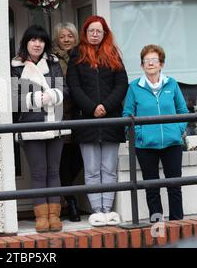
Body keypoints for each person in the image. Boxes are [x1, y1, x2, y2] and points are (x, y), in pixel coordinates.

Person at [66, 15, 128, 227]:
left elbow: (122, 85)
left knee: (109, 168)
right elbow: (74, 87)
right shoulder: (76, 55)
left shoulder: (113, 55)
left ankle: (108, 210)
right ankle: (96, 210)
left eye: (98, 31)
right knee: (92, 169)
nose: (94, 34)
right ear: (85, 33)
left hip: (111, 120)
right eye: (91, 31)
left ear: (104, 33)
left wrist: (106, 106)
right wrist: (92, 108)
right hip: (86, 120)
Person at [11, 25, 68, 233]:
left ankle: (55, 216)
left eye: (41, 40)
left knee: (54, 171)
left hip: (55, 123)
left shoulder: (53, 63)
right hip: (31, 125)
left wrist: (53, 96)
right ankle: (41, 217)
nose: (37, 44)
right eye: (33, 40)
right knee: (38, 172)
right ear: (26, 42)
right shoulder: (15, 66)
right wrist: (36, 99)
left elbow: (65, 89)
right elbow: (13, 99)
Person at [123, 44, 188, 222]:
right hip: (145, 146)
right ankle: (157, 226)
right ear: (142, 65)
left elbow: (183, 111)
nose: (150, 63)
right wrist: (139, 134)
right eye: (146, 60)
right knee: (152, 189)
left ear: (161, 64)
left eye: (154, 60)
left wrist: (178, 129)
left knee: (174, 186)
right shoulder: (135, 87)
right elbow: (127, 115)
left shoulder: (171, 84)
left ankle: (177, 225)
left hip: (172, 143)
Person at [52, 22, 83, 222]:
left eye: (69, 36)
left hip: (82, 116)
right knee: (62, 163)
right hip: (62, 116)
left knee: (80, 160)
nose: (66, 40)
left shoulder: (82, 56)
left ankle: (68, 194)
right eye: (62, 36)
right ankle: (71, 201)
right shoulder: (52, 60)